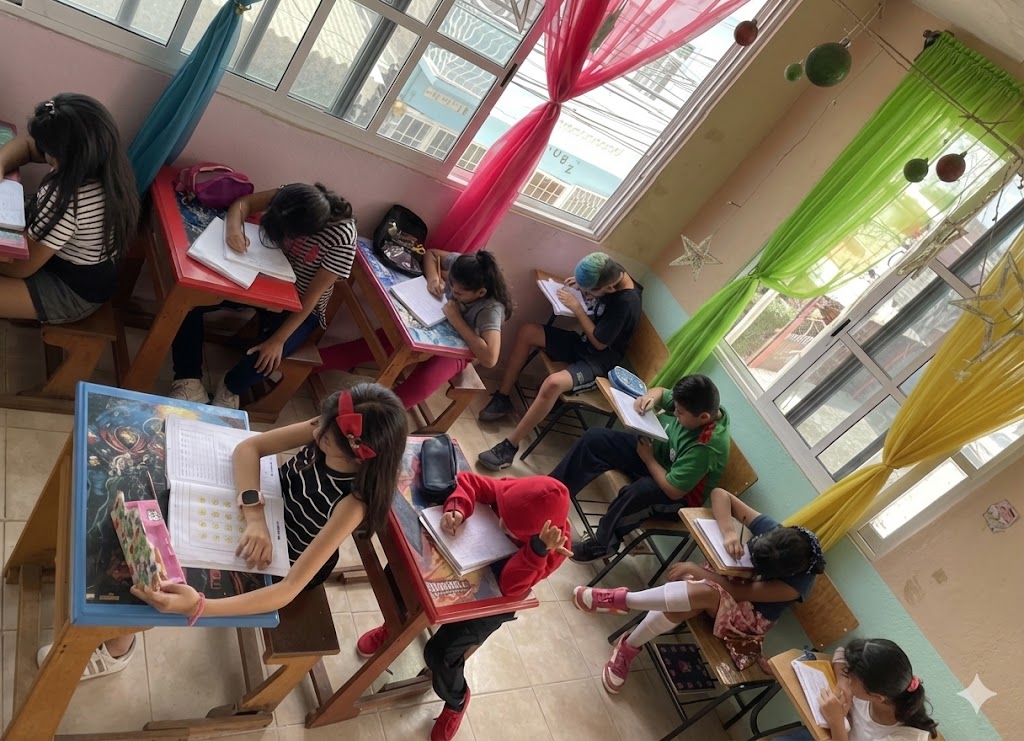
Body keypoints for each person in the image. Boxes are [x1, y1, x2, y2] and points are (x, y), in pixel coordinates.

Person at [45, 383, 407, 680]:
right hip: (261, 521)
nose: (316, 434)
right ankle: (94, 599)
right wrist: (254, 518)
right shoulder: (332, 425)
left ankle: (116, 649)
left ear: (359, 457)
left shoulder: (353, 503)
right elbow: (250, 446)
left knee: (161, 581)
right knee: (148, 505)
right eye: (319, 426)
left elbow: (287, 589)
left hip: (283, 562)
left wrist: (200, 606)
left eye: (326, 440)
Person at [354, 471, 572, 740]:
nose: (502, 523)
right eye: (502, 515)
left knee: (440, 654)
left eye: (511, 529)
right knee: (404, 574)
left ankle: (456, 700)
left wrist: (537, 550)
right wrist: (457, 507)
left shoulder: (553, 548)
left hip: (498, 592)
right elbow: (471, 482)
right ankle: (394, 625)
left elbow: (512, 586)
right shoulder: (516, 492)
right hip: (466, 557)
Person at [572, 487, 825, 694]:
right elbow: (720, 494)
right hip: (724, 585)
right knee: (689, 599)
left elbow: (738, 595)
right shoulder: (777, 535)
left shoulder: (796, 585)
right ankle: (628, 646)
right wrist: (728, 533)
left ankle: (621, 599)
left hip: (747, 621)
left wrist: (697, 569)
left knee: (701, 590)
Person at [168, 183, 357, 408]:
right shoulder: (294, 198)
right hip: (260, 281)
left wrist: (278, 340)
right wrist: (233, 230)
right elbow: (243, 203)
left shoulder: (342, 238)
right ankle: (188, 381)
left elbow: (311, 299)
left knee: (265, 358)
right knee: (188, 303)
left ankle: (230, 387)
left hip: (299, 306)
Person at [476, 252, 642, 470]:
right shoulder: (611, 270)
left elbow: (600, 343)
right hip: (583, 344)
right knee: (528, 331)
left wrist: (577, 307)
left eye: (590, 291)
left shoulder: (627, 304)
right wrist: (583, 287)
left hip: (599, 362)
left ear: (609, 289)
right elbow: (597, 302)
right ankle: (503, 397)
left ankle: (509, 447)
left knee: (553, 383)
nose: (586, 293)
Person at [553, 373, 730, 564]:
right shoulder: (697, 404)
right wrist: (649, 399)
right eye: (676, 410)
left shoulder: (707, 447)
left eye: (680, 413)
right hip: (655, 456)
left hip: (677, 497)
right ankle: (551, 495)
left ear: (704, 417)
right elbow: (662, 392)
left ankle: (602, 545)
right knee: (595, 439)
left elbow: (673, 490)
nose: (676, 416)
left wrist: (649, 460)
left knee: (638, 493)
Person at [0, 93, 139, 323]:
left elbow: (22, 267)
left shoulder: (69, 199)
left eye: (47, 152)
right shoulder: (100, 162)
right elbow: (27, 144)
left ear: (61, 154)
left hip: (71, 290)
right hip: (55, 257)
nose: (43, 155)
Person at [317, 248, 512, 409]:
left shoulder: (491, 309)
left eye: (458, 293)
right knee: (377, 344)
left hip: (457, 351)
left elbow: (489, 358)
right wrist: (434, 279)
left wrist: (457, 320)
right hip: (433, 324)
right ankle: (308, 365)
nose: (452, 291)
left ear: (481, 293)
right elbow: (432, 254)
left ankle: (369, 419)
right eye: (450, 285)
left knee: (417, 388)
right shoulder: (464, 266)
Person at [777, 639, 939, 740]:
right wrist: (842, 681)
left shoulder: (906, 737)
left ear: (877, 696)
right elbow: (841, 652)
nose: (848, 679)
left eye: (851, 679)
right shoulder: (877, 680)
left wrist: (837, 721)